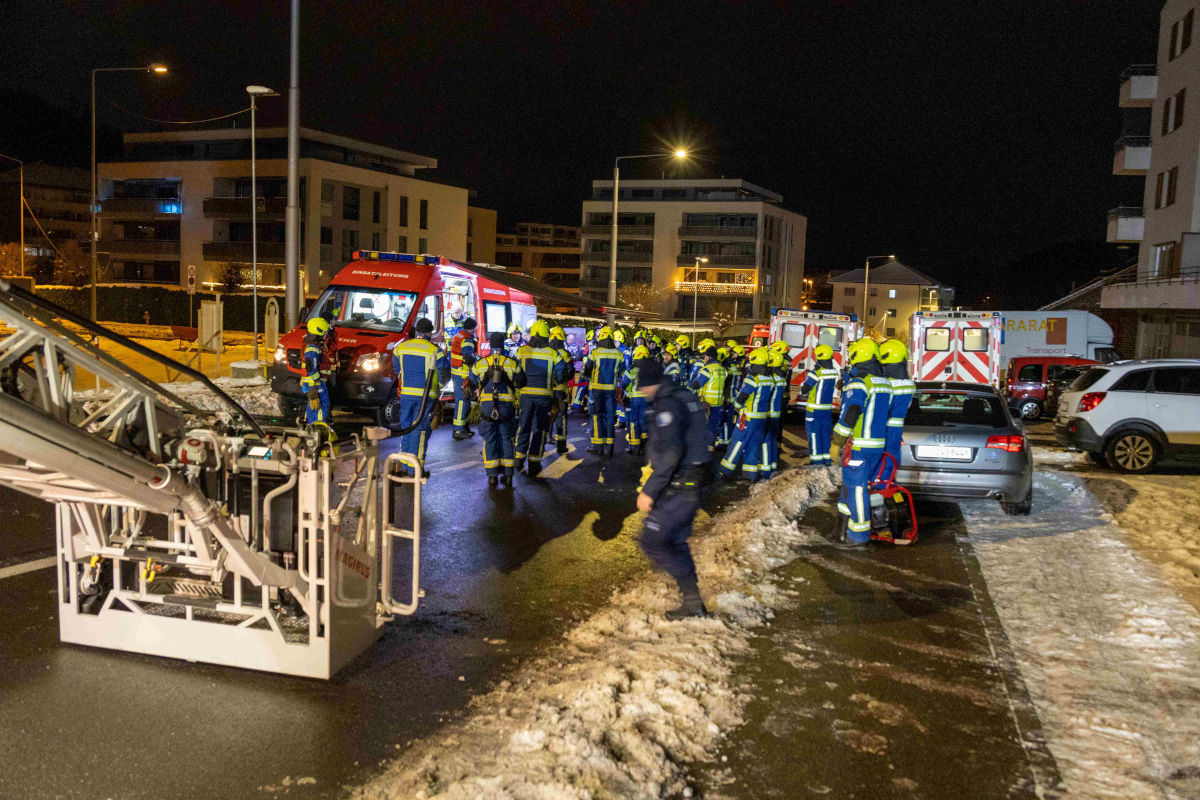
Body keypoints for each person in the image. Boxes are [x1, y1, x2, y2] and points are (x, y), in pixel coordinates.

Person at [635, 357, 713, 620]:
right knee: (676, 541)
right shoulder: (682, 395)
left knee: (653, 540)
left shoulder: (667, 404)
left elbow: (671, 451)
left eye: (642, 386)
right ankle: (693, 603)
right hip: (695, 479)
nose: (640, 391)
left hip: (683, 483)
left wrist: (650, 490)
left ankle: (692, 600)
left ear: (650, 383)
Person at [830, 338, 894, 549]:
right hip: (876, 446)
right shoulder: (884, 383)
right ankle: (840, 530)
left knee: (856, 489)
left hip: (858, 446)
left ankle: (857, 536)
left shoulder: (860, 383)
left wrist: (837, 442)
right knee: (848, 487)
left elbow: (852, 412)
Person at [391, 317, 444, 477]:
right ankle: (416, 470)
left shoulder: (400, 348)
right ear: (429, 333)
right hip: (425, 397)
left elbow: (396, 367)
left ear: (416, 332)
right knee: (420, 431)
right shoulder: (434, 350)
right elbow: (444, 373)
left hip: (406, 395)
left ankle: (406, 466)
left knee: (406, 428)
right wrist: (439, 391)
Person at [470, 331, 524, 486]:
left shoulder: (480, 364)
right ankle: (508, 475)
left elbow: (472, 381)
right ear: (503, 345)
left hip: (487, 408)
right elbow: (522, 381)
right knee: (507, 439)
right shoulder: (512, 363)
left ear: (491, 345)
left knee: (490, 439)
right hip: (506, 407)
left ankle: (492, 475)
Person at [514, 320, 563, 477]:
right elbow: (561, 375)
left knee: (523, 426)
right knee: (539, 430)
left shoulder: (521, 352)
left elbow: (514, 373)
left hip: (526, 397)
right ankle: (534, 464)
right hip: (544, 398)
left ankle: (518, 459)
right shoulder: (553, 354)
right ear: (546, 336)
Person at [718, 347, 773, 481]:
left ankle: (724, 471)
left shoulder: (751, 379)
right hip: (761, 418)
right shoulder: (769, 379)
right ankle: (750, 474)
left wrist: (737, 405)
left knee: (737, 442)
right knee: (753, 445)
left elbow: (741, 398)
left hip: (747, 417)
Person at [581, 326, 625, 455]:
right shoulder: (619, 354)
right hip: (610, 391)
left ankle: (597, 446)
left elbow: (587, 370)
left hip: (596, 390)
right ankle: (609, 446)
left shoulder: (595, 353)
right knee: (610, 417)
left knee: (596, 416)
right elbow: (622, 371)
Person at [798, 344, 840, 467]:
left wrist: (809, 376)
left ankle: (816, 460)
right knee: (825, 434)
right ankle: (826, 459)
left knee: (814, 435)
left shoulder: (816, 373)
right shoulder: (834, 372)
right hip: (826, 409)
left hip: (814, 409)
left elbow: (805, 390)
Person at [878, 339, 914, 468]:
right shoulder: (909, 384)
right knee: (892, 457)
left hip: (883, 427)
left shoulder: (888, 385)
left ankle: (880, 484)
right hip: (897, 428)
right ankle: (888, 483)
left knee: (880, 459)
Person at [689, 339, 727, 450]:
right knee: (713, 426)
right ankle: (710, 447)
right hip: (718, 402)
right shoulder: (722, 369)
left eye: (705, 356)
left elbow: (697, 384)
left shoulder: (707, 369)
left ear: (709, 357)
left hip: (707, 403)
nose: (704, 358)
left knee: (703, 425)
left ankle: (702, 448)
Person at [449, 317, 478, 440]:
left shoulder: (458, 336)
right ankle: (458, 430)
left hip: (456, 372)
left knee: (463, 401)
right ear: (472, 329)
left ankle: (463, 427)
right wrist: (478, 359)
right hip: (463, 374)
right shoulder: (467, 339)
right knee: (462, 402)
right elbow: (468, 357)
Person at [300, 317, 332, 425]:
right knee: (321, 405)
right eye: (324, 332)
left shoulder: (311, 345)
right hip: (315, 383)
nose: (325, 335)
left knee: (313, 406)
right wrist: (317, 379)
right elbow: (311, 366)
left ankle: (310, 426)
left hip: (313, 383)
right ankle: (320, 427)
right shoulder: (313, 347)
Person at [621, 344, 652, 455]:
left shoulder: (632, 369)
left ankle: (634, 446)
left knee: (633, 422)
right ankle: (644, 445)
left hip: (633, 399)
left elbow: (624, 383)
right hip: (646, 399)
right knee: (644, 421)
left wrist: (625, 391)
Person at [549, 325, 574, 454]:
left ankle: (545, 439)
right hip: (560, 391)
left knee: (546, 416)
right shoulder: (566, 354)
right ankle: (561, 446)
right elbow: (570, 373)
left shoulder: (545, 352)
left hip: (546, 391)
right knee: (561, 418)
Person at [767, 348, 789, 473]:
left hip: (768, 412)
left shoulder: (772, 379)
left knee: (767, 439)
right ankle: (774, 462)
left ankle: (766, 464)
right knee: (774, 439)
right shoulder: (781, 379)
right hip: (777, 412)